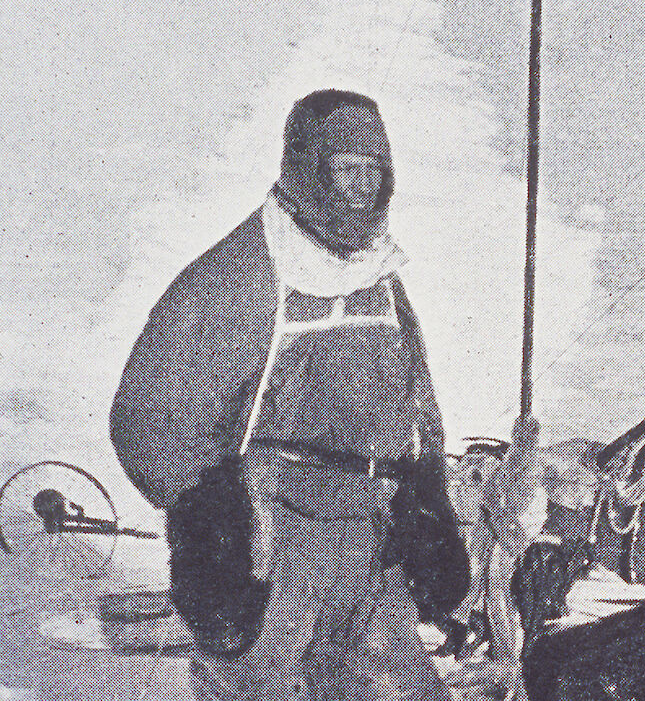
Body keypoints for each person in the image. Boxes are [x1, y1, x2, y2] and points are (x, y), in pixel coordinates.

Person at [111, 89, 469, 701]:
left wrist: (426, 501)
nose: (360, 187)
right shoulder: (239, 277)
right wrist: (210, 529)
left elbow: (415, 404)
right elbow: (150, 420)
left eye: (373, 170)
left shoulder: (378, 280)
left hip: (371, 538)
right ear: (307, 167)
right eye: (346, 169)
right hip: (274, 539)